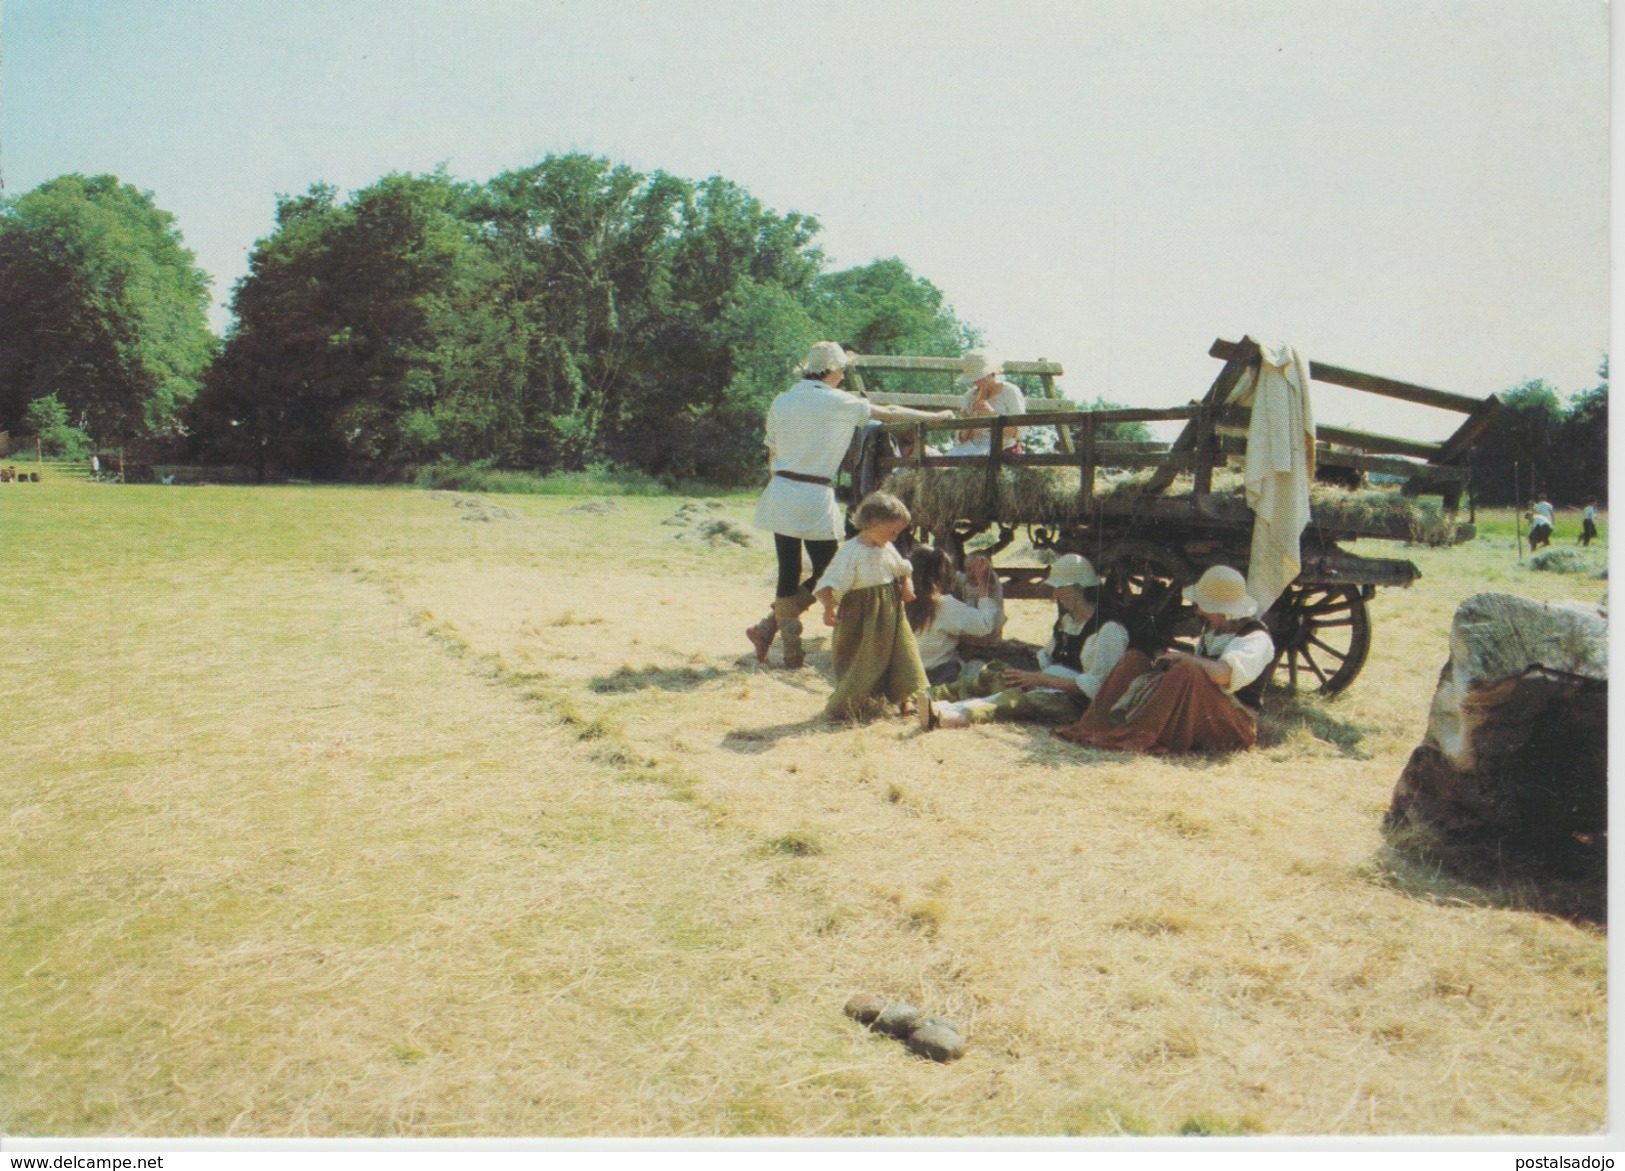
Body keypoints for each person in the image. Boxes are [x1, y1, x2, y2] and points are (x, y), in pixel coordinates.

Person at [748, 342, 954, 669]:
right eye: (841, 370)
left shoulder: (783, 400)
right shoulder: (838, 401)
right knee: (829, 568)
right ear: (830, 370)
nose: (843, 376)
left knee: (789, 570)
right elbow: (889, 412)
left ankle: (779, 640)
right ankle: (777, 638)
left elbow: (771, 452)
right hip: (813, 493)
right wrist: (936, 416)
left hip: (782, 489)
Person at [1056, 565, 1274, 755]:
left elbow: (1224, 674)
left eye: (1205, 606)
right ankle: (1093, 726)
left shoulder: (1255, 637)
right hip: (1203, 711)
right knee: (1134, 660)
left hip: (1234, 726)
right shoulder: (1214, 630)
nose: (1198, 611)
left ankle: (1135, 737)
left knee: (1187, 669)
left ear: (1225, 611)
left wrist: (1184, 659)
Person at [916, 554, 1130, 731]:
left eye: (1061, 588)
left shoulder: (1108, 630)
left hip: (1075, 702)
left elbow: (1096, 686)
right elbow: (1045, 659)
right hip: (1048, 684)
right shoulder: (1067, 622)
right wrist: (1025, 676)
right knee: (995, 674)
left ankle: (949, 715)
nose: (1055, 593)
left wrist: (1040, 679)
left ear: (1080, 588)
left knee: (1015, 699)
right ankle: (925, 697)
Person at [814, 492, 930, 721]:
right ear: (874, 522)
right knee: (863, 660)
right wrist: (828, 609)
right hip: (861, 617)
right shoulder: (851, 551)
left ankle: (907, 700)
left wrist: (907, 586)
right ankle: (851, 704)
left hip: (891, 613)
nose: (895, 538)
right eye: (892, 531)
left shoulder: (885, 547)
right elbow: (829, 583)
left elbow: (902, 569)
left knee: (903, 656)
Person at [906, 545, 1001, 686]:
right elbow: (985, 626)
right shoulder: (942, 606)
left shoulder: (898, 601)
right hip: (936, 677)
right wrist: (983, 586)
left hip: (905, 676)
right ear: (941, 575)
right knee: (984, 668)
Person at [941, 351, 1026, 458]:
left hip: (1001, 446)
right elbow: (961, 439)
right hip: (972, 447)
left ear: (991, 373)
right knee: (946, 460)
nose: (977, 382)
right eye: (974, 379)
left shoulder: (1010, 391)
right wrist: (968, 421)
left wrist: (992, 414)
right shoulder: (969, 396)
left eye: (980, 376)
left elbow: (1018, 433)